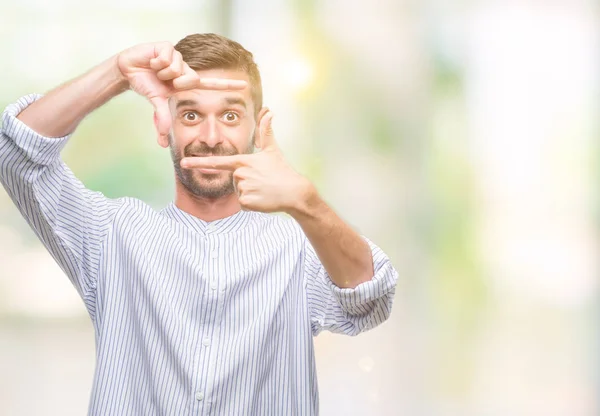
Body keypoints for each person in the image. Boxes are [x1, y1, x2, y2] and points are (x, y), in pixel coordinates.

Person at [0, 33, 398, 415]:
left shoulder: (298, 248)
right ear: (165, 125)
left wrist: (306, 202)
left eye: (229, 115)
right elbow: (16, 152)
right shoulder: (110, 235)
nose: (210, 137)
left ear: (256, 129)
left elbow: (370, 299)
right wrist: (119, 73)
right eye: (191, 114)